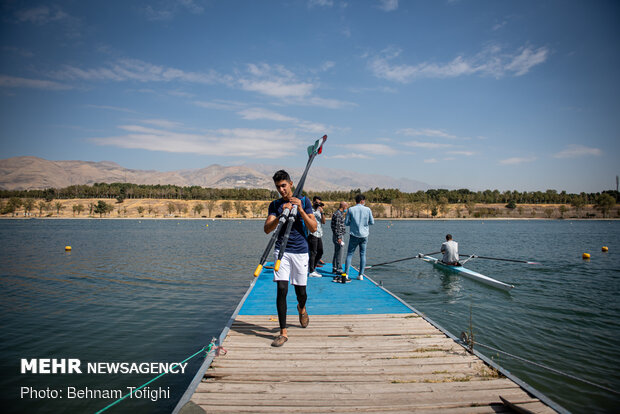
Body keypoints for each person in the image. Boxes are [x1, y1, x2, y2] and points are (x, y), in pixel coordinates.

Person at [264, 170, 317, 347]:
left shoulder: (304, 201)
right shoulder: (275, 204)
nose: (281, 190)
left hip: (301, 251)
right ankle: (283, 332)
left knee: (301, 292)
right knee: (281, 289)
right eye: (278, 187)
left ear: (291, 184)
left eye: (284, 186)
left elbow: (314, 227)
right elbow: (267, 228)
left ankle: (301, 308)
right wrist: (281, 214)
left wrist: (300, 209)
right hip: (282, 251)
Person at [341, 194, 374, 282]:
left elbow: (346, 223)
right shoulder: (367, 209)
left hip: (354, 235)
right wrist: (364, 224)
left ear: (356, 201)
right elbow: (372, 222)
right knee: (363, 254)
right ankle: (361, 275)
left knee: (349, 254)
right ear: (362, 201)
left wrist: (354, 223)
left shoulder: (351, 209)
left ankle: (346, 274)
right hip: (364, 235)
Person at [308, 196, 326, 277]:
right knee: (313, 252)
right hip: (312, 233)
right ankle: (311, 271)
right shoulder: (309, 210)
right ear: (313, 202)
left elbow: (323, 222)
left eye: (319, 203)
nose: (318, 204)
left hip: (319, 233)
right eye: (317, 202)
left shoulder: (319, 211)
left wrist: (322, 212)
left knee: (320, 251)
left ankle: (312, 267)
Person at [330, 201, 348, 275]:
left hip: (337, 235)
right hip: (338, 236)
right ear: (343, 207)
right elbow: (337, 227)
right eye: (346, 207)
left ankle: (334, 267)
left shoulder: (338, 213)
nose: (346, 208)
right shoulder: (338, 214)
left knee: (337, 251)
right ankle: (339, 269)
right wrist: (339, 237)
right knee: (340, 252)